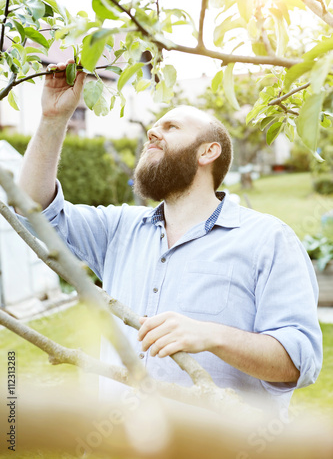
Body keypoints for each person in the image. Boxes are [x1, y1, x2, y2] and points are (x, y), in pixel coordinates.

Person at [17, 60, 322, 410]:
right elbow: (33, 210)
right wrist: (54, 118)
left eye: (171, 126)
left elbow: (300, 362)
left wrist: (211, 335)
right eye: (153, 127)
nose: (152, 132)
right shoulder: (119, 230)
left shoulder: (268, 240)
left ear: (208, 151)